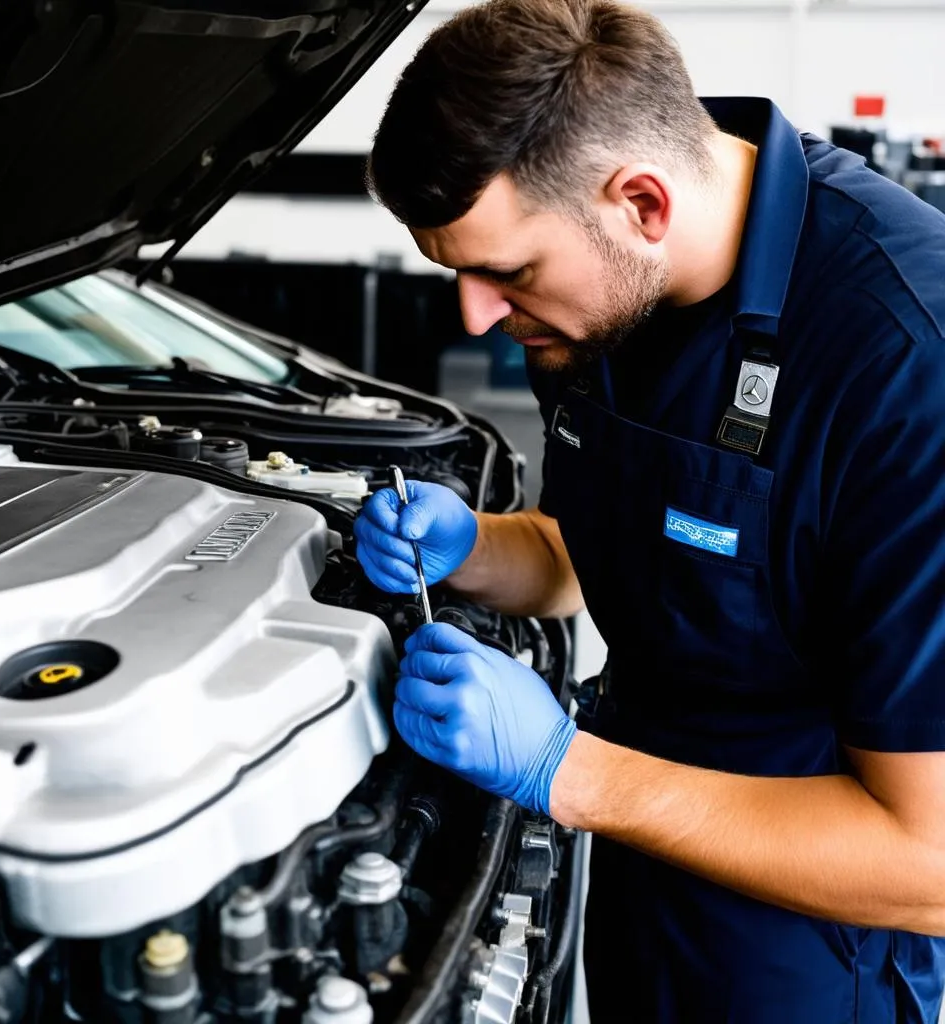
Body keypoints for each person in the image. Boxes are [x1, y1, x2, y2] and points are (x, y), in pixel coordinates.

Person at [352, 0, 945, 1020]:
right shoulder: (599, 300)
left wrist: (568, 770)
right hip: (635, 892)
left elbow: (927, 860)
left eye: (505, 271)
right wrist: (474, 548)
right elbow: (607, 560)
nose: (476, 316)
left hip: (810, 954)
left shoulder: (904, 364)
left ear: (642, 201)